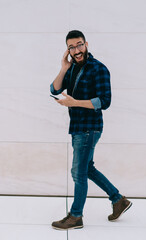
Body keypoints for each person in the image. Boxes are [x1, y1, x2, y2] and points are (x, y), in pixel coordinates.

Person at [50, 30, 132, 230]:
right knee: (87, 169)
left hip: (90, 128)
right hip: (77, 127)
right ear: (67, 50)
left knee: (78, 172)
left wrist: (74, 102)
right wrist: (63, 69)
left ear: (86, 44)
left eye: (79, 45)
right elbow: (54, 89)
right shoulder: (72, 69)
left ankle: (76, 216)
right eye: (71, 47)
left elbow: (105, 101)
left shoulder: (98, 69)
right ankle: (118, 200)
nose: (76, 50)